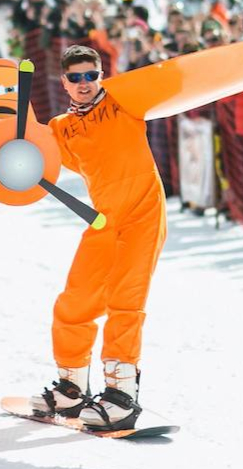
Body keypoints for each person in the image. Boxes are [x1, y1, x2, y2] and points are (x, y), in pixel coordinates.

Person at [30, 45, 165, 431]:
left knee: (125, 300)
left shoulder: (125, 102)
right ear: (65, 83)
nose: (84, 83)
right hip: (105, 220)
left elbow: (165, 83)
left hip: (142, 214)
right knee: (75, 300)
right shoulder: (62, 128)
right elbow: (29, 146)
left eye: (91, 75)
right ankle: (71, 389)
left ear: (101, 75)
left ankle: (121, 393)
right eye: (76, 77)